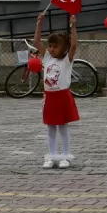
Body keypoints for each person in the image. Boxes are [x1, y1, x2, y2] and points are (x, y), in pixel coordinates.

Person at [34, 12, 80, 169]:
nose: (51, 49)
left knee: (63, 127)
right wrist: (39, 24)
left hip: (62, 96)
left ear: (64, 48)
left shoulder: (67, 60)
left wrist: (73, 26)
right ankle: (51, 156)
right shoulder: (47, 58)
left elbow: (74, 45)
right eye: (50, 46)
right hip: (49, 96)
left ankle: (65, 157)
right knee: (51, 128)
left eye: (55, 46)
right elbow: (36, 41)